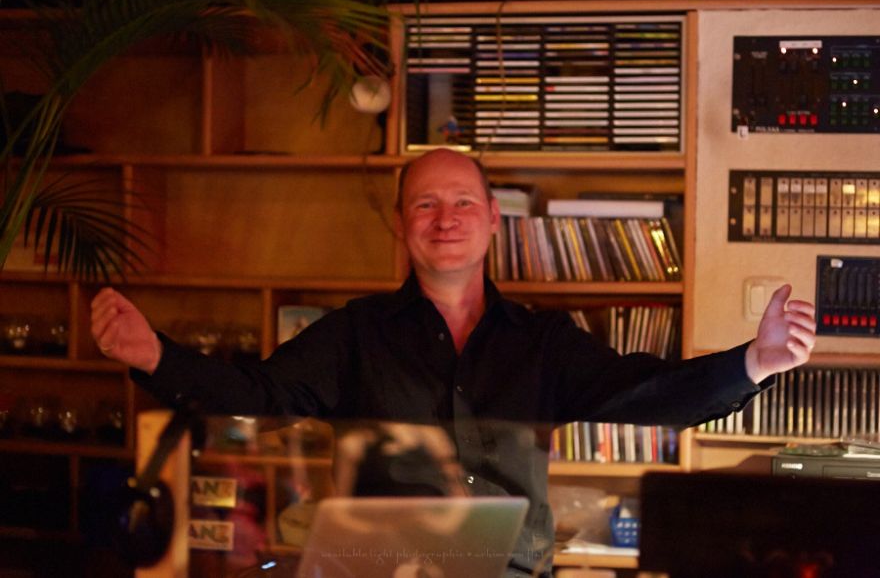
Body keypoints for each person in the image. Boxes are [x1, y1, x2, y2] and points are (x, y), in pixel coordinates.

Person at [91, 148, 816, 577]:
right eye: (425, 205)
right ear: (401, 225)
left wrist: (753, 361)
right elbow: (260, 394)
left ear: (493, 220)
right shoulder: (354, 333)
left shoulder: (544, 340)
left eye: (464, 202)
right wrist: (155, 355)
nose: (446, 219)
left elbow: (643, 394)